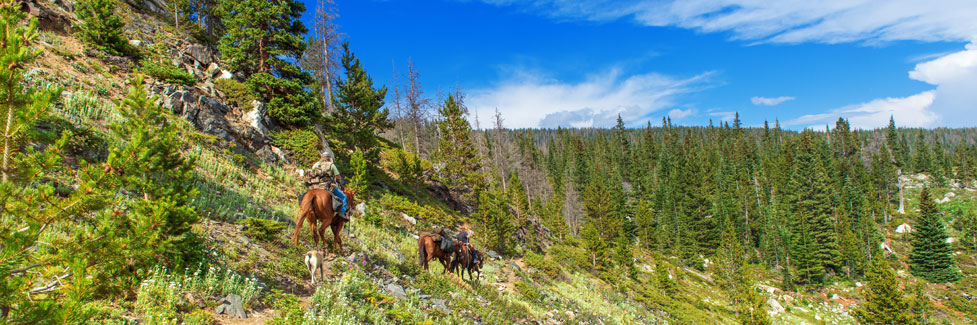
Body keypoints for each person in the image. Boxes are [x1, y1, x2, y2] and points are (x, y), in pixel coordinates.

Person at [305, 151, 348, 219]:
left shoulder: (315, 165)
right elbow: (337, 177)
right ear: (328, 158)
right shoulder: (331, 165)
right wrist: (339, 182)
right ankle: (341, 213)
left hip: (314, 186)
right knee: (343, 196)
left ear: (321, 157)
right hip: (326, 186)